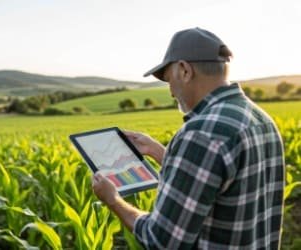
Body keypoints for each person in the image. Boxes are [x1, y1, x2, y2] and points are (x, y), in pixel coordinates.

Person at [92, 27, 285, 249]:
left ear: (184, 70)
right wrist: (158, 151)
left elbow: (162, 241)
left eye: (168, 79)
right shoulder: (261, 119)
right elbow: (218, 181)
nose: (171, 91)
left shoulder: (200, 133)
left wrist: (113, 200)